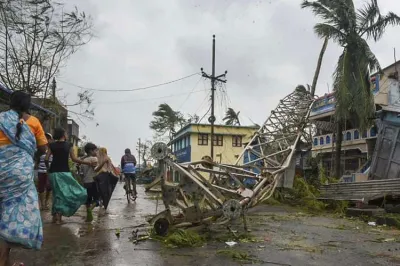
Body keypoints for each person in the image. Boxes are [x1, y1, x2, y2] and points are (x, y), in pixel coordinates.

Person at [0, 91, 48, 266]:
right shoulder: (34, 122)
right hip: (19, 173)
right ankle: (3, 259)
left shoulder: (1, 118)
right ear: (28, 105)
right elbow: (43, 148)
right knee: (11, 213)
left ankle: (4, 259)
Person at [45, 128, 92, 224]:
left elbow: (46, 159)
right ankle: (58, 218)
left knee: (57, 194)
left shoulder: (51, 145)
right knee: (74, 192)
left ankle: (55, 217)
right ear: (63, 135)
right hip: (65, 172)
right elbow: (74, 159)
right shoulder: (68, 145)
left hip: (53, 172)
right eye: (66, 133)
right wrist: (87, 163)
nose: (67, 135)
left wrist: (48, 169)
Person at [80, 143, 99, 222]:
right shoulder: (94, 159)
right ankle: (90, 210)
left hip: (86, 182)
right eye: (95, 150)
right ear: (91, 151)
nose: (96, 152)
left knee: (88, 200)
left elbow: (81, 174)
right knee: (96, 200)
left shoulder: (83, 160)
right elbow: (97, 169)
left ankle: (88, 217)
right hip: (93, 182)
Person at [36, 133, 53, 210]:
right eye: (45, 137)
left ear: (50, 139)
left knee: (49, 187)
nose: (47, 139)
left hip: (49, 170)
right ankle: (42, 204)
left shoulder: (53, 148)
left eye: (48, 138)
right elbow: (37, 159)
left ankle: (47, 202)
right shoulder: (40, 148)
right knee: (41, 187)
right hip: (41, 170)